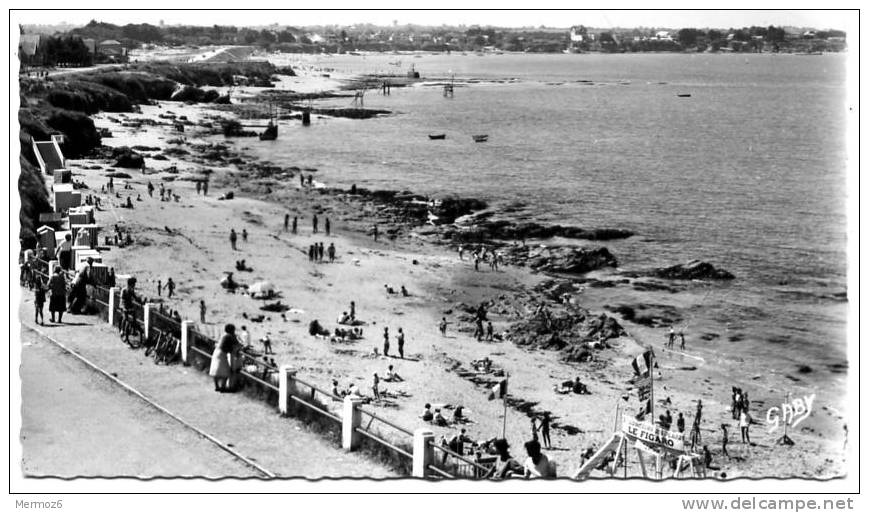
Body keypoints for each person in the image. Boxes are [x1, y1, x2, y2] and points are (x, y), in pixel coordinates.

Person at [209, 324, 237, 392]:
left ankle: (217, 386)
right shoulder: (229, 336)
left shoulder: (224, 335)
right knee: (226, 371)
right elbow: (235, 343)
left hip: (216, 352)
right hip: (222, 354)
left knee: (215, 371)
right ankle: (223, 387)